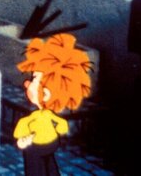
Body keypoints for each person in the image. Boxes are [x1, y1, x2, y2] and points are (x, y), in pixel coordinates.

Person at [13, 33, 92, 176]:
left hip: (37, 146)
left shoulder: (32, 118)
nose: (28, 83)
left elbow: (21, 131)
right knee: (49, 163)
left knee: (34, 167)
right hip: (51, 144)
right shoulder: (47, 115)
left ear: (46, 93)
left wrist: (23, 137)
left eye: (35, 79)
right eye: (33, 78)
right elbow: (62, 126)